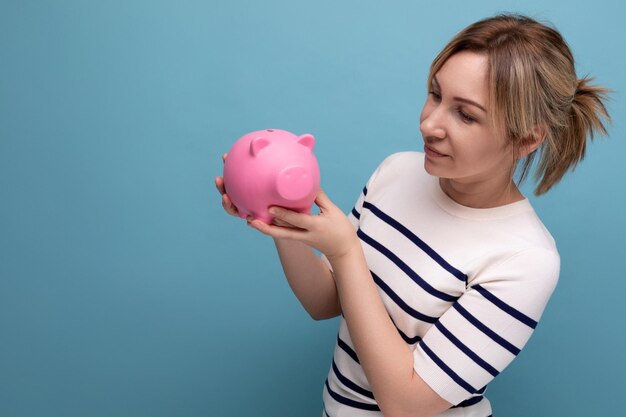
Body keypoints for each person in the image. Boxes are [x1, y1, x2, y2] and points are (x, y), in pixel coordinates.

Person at [215, 13, 610, 417]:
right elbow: (325, 300)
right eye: (436, 94)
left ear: (527, 138)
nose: (429, 123)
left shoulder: (526, 260)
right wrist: (283, 215)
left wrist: (346, 251)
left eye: (466, 114)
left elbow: (406, 404)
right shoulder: (397, 171)